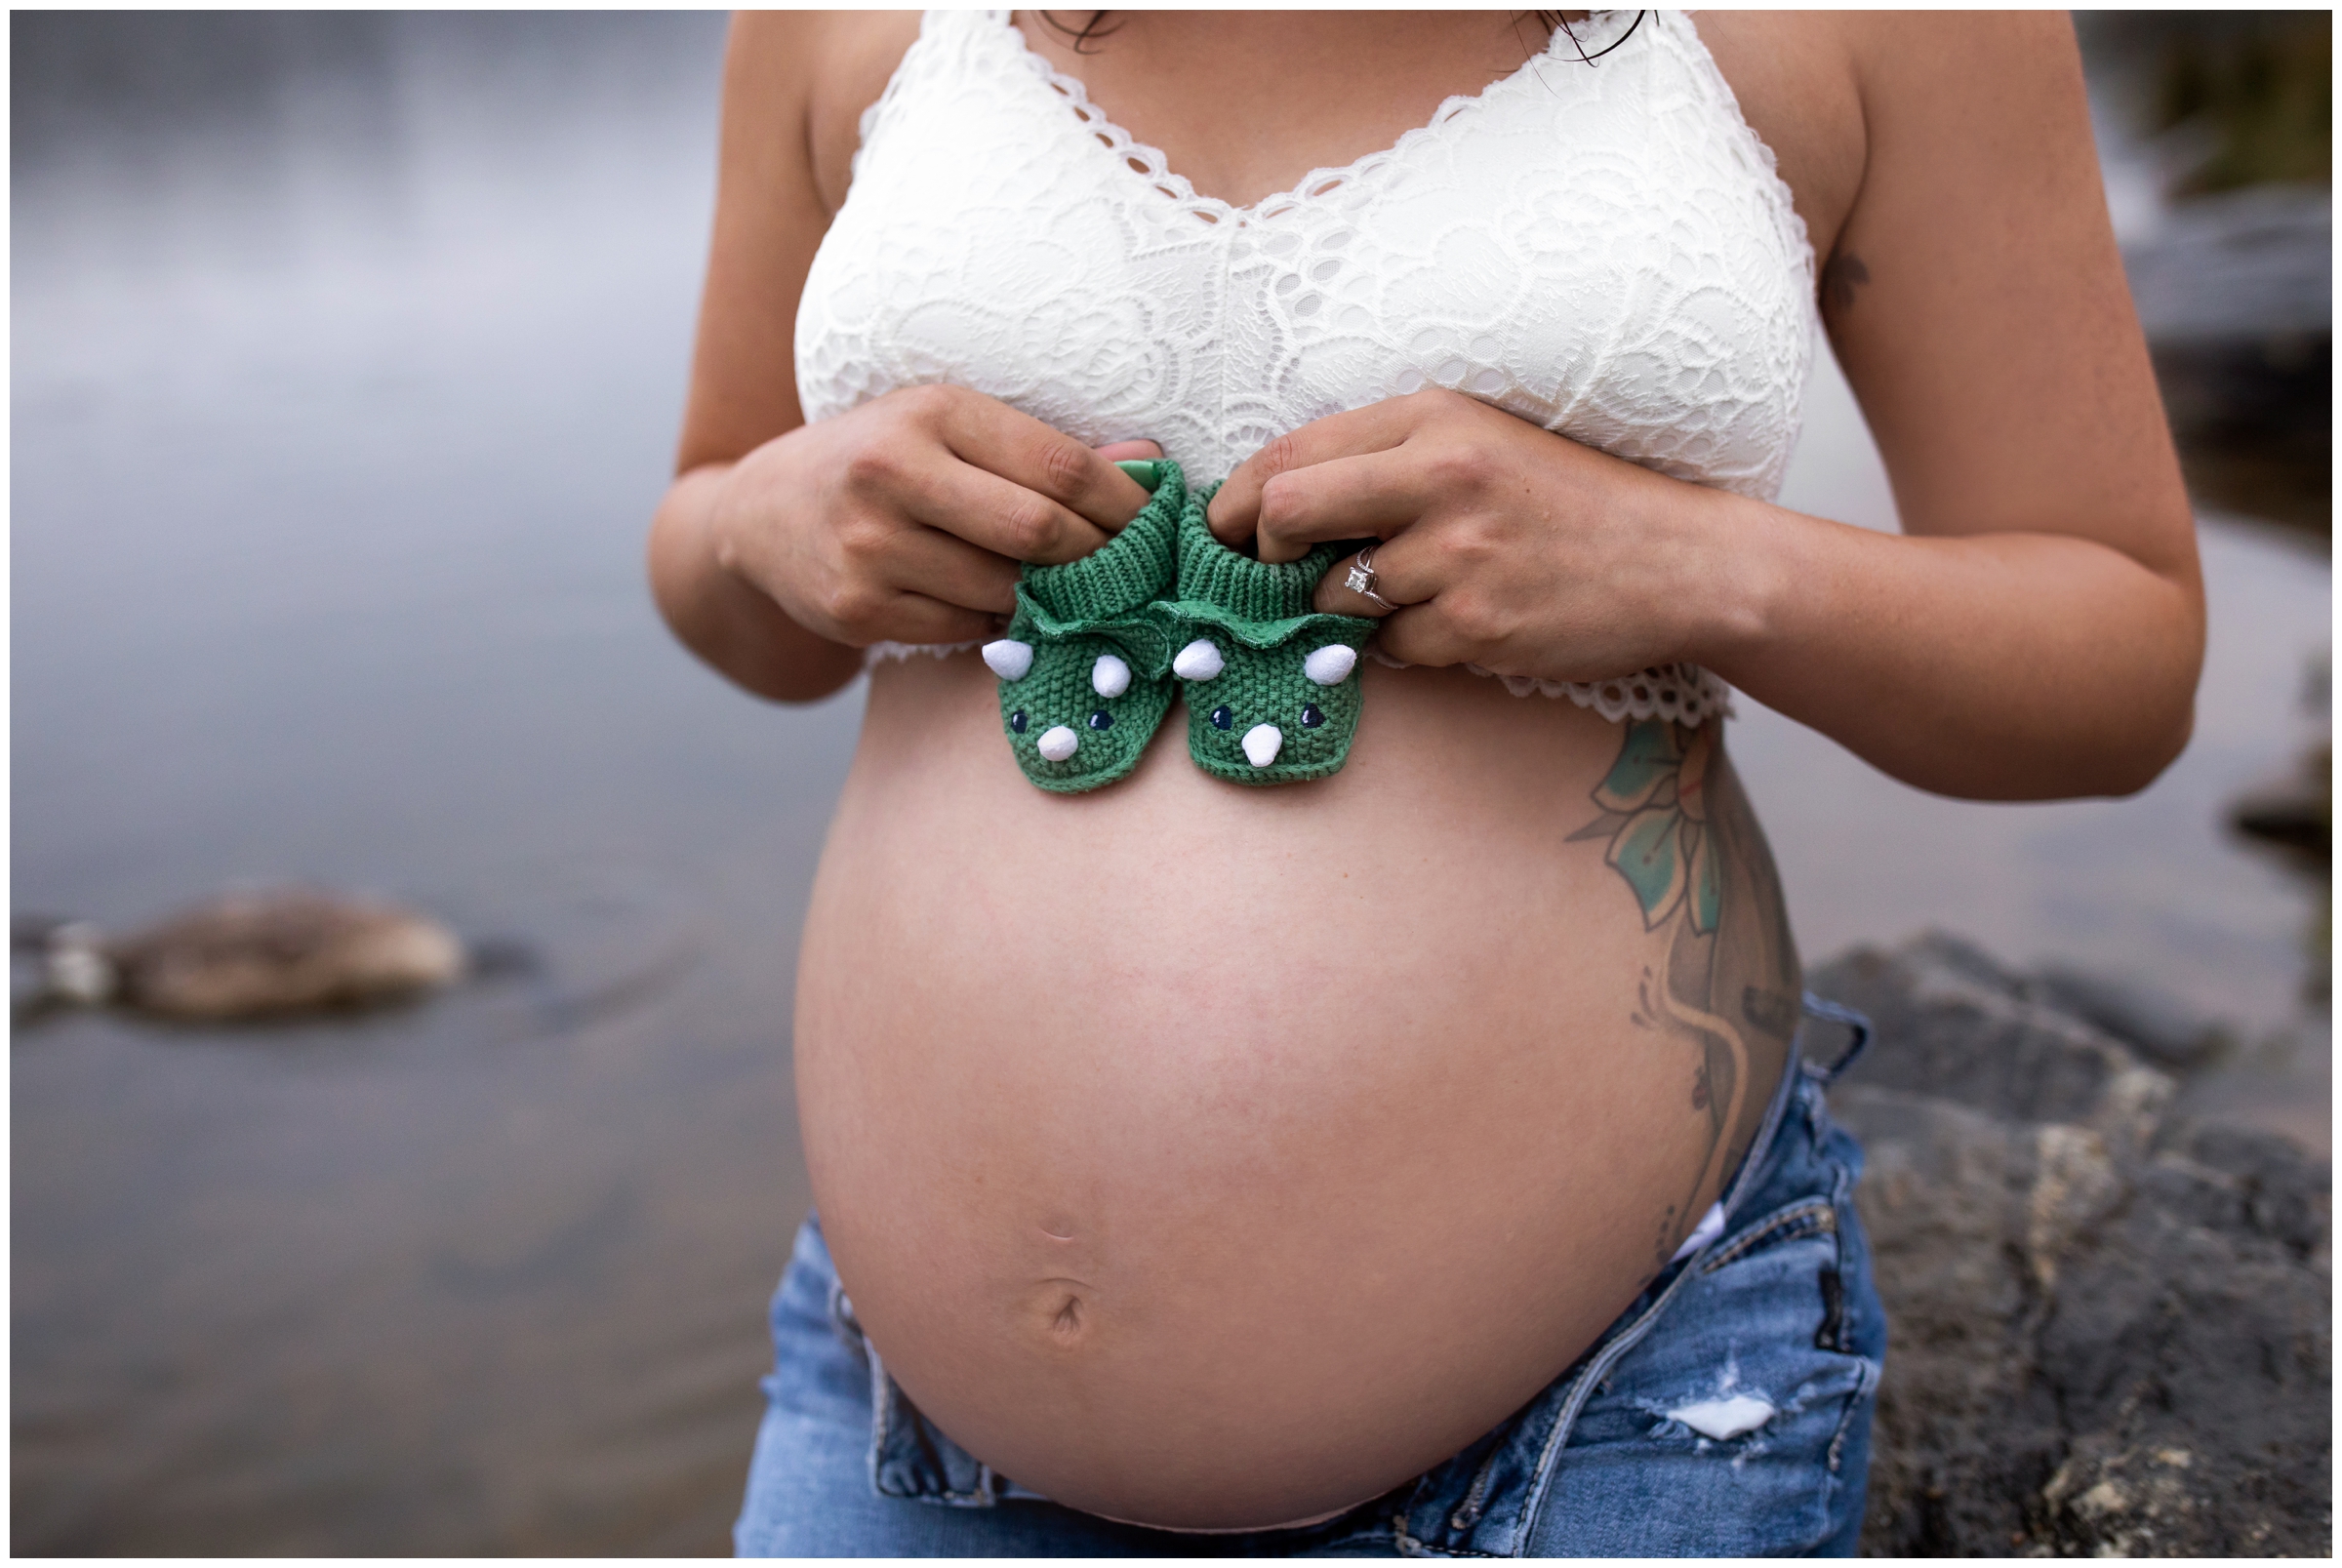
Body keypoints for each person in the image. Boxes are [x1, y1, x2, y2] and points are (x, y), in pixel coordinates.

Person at [647, 10, 2203, 1555]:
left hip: (1611, 1430)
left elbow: (2121, 672)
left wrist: (1702, 567)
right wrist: (759, 523)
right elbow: (727, 587)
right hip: (894, 1435)